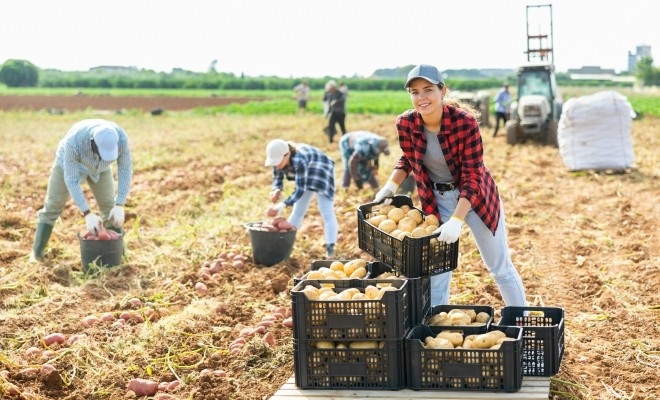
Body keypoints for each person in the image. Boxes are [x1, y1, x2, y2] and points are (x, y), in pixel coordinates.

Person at [373, 64, 527, 307]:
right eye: (414, 92)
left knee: (499, 268)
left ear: (442, 91)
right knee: (436, 271)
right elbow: (408, 158)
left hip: (476, 198)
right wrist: (390, 187)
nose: (421, 98)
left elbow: (472, 176)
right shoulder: (406, 123)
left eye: (427, 90)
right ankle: (436, 327)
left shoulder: (465, 123)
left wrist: (456, 220)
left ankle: (522, 322)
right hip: (437, 199)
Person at [30, 119, 133, 263]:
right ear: (92, 143)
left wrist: (120, 203)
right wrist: (87, 213)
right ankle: (37, 254)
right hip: (69, 166)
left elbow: (125, 168)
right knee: (53, 206)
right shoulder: (74, 142)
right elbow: (71, 181)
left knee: (109, 208)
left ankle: (118, 258)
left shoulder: (121, 138)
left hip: (101, 169)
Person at [264, 139, 339, 258]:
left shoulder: (300, 160)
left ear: (287, 154)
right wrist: (276, 189)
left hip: (322, 170)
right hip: (306, 174)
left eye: (278, 162)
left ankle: (330, 248)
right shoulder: (278, 158)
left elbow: (299, 190)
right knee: (298, 210)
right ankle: (286, 245)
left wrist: (281, 205)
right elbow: (277, 177)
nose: (276, 165)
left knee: (326, 211)